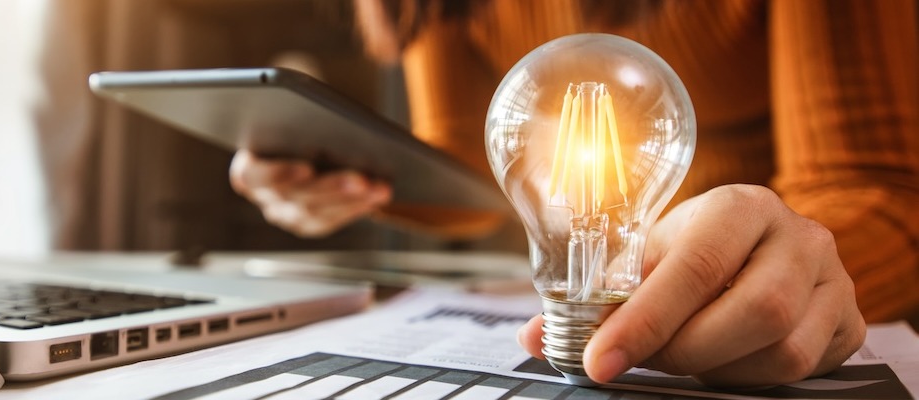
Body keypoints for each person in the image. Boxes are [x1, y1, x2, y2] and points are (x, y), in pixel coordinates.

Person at [229, 0, 918, 388]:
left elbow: (873, 185)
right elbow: (477, 158)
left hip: (739, 266)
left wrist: (781, 268)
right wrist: (357, 175)